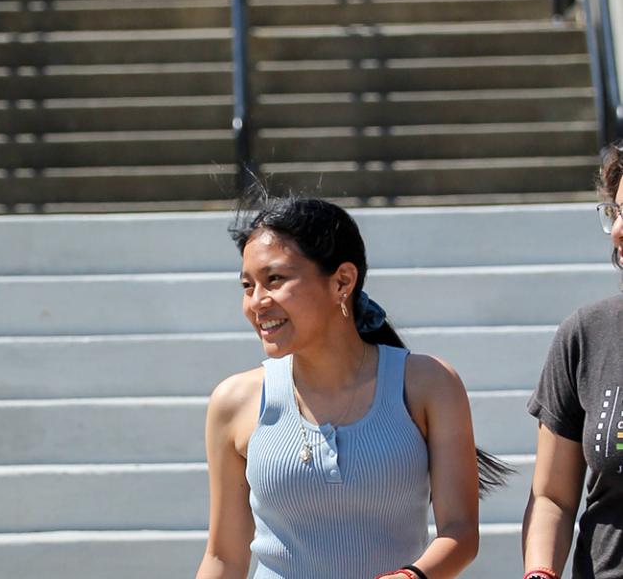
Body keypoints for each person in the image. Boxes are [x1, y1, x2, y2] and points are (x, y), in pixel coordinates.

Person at [195, 195, 502, 579]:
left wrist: (412, 577)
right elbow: (223, 556)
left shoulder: (429, 383)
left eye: (274, 280)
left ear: (342, 281)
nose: (257, 302)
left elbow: (459, 533)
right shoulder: (234, 401)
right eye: (247, 285)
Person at [522, 142, 623, 579]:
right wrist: (540, 573)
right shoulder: (588, 334)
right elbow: (552, 498)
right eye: (616, 212)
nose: (619, 229)